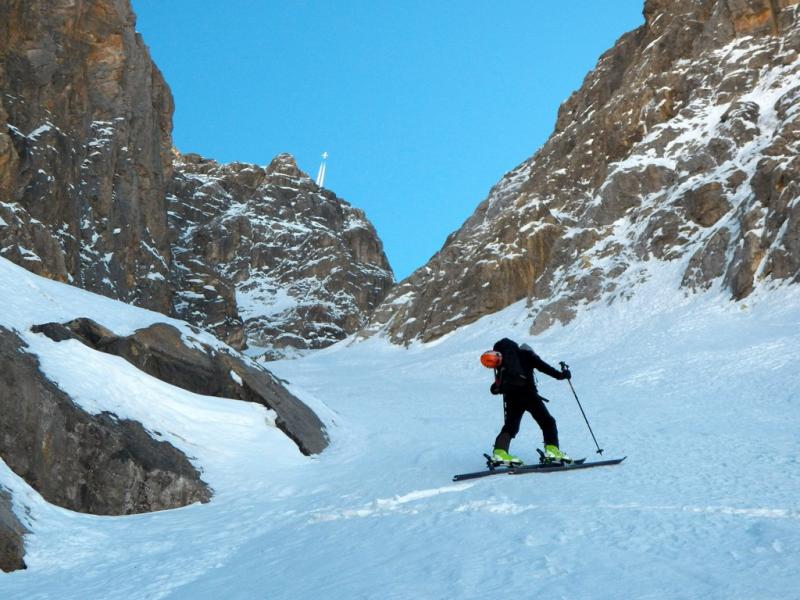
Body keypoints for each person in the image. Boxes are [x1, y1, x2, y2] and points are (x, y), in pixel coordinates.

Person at [481, 337, 572, 466]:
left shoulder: (503, 361)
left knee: (510, 427)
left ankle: (500, 452)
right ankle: (552, 452)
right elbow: (545, 368)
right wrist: (562, 375)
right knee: (547, 422)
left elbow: (496, 387)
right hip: (528, 395)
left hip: (511, 398)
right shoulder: (526, 355)